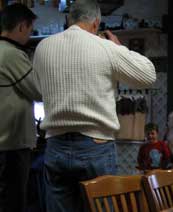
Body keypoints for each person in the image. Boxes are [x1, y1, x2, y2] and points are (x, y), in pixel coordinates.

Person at [32, 0, 156, 211]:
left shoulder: (43, 47)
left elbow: (38, 90)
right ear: (96, 23)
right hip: (95, 146)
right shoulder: (105, 47)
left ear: (68, 19)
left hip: (55, 145)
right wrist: (119, 47)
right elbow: (149, 75)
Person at [0, 3, 42, 212]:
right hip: (11, 145)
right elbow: (37, 91)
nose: (29, 35)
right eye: (30, 30)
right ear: (22, 26)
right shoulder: (12, 54)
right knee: (14, 203)